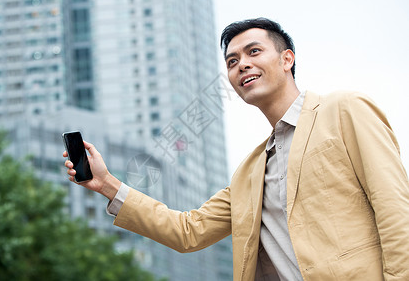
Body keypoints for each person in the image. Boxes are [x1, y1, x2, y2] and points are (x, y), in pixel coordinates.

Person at [64, 18, 409, 281]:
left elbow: (395, 210)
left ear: (287, 59)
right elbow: (189, 230)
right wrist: (107, 183)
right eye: (231, 61)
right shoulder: (250, 171)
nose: (241, 64)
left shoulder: (344, 110)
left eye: (254, 52)